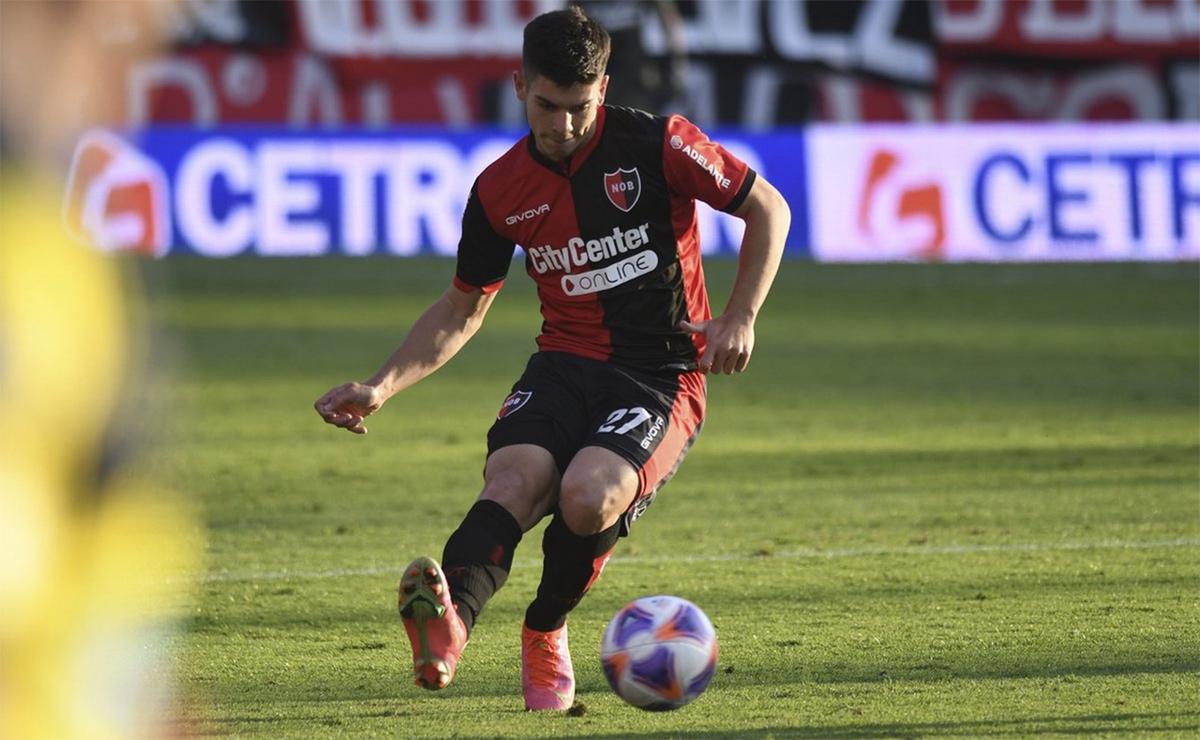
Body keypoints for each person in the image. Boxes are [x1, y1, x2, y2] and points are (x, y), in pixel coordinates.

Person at [314, 6, 790, 712]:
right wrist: (382, 385)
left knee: (587, 494)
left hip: (661, 374)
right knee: (512, 479)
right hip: (563, 364)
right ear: (519, 87)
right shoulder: (499, 190)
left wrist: (740, 317)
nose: (563, 126)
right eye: (547, 106)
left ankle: (544, 628)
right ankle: (447, 632)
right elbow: (460, 308)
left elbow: (767, 209)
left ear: (603, 89)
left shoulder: (659, 144)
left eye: (579, 108)